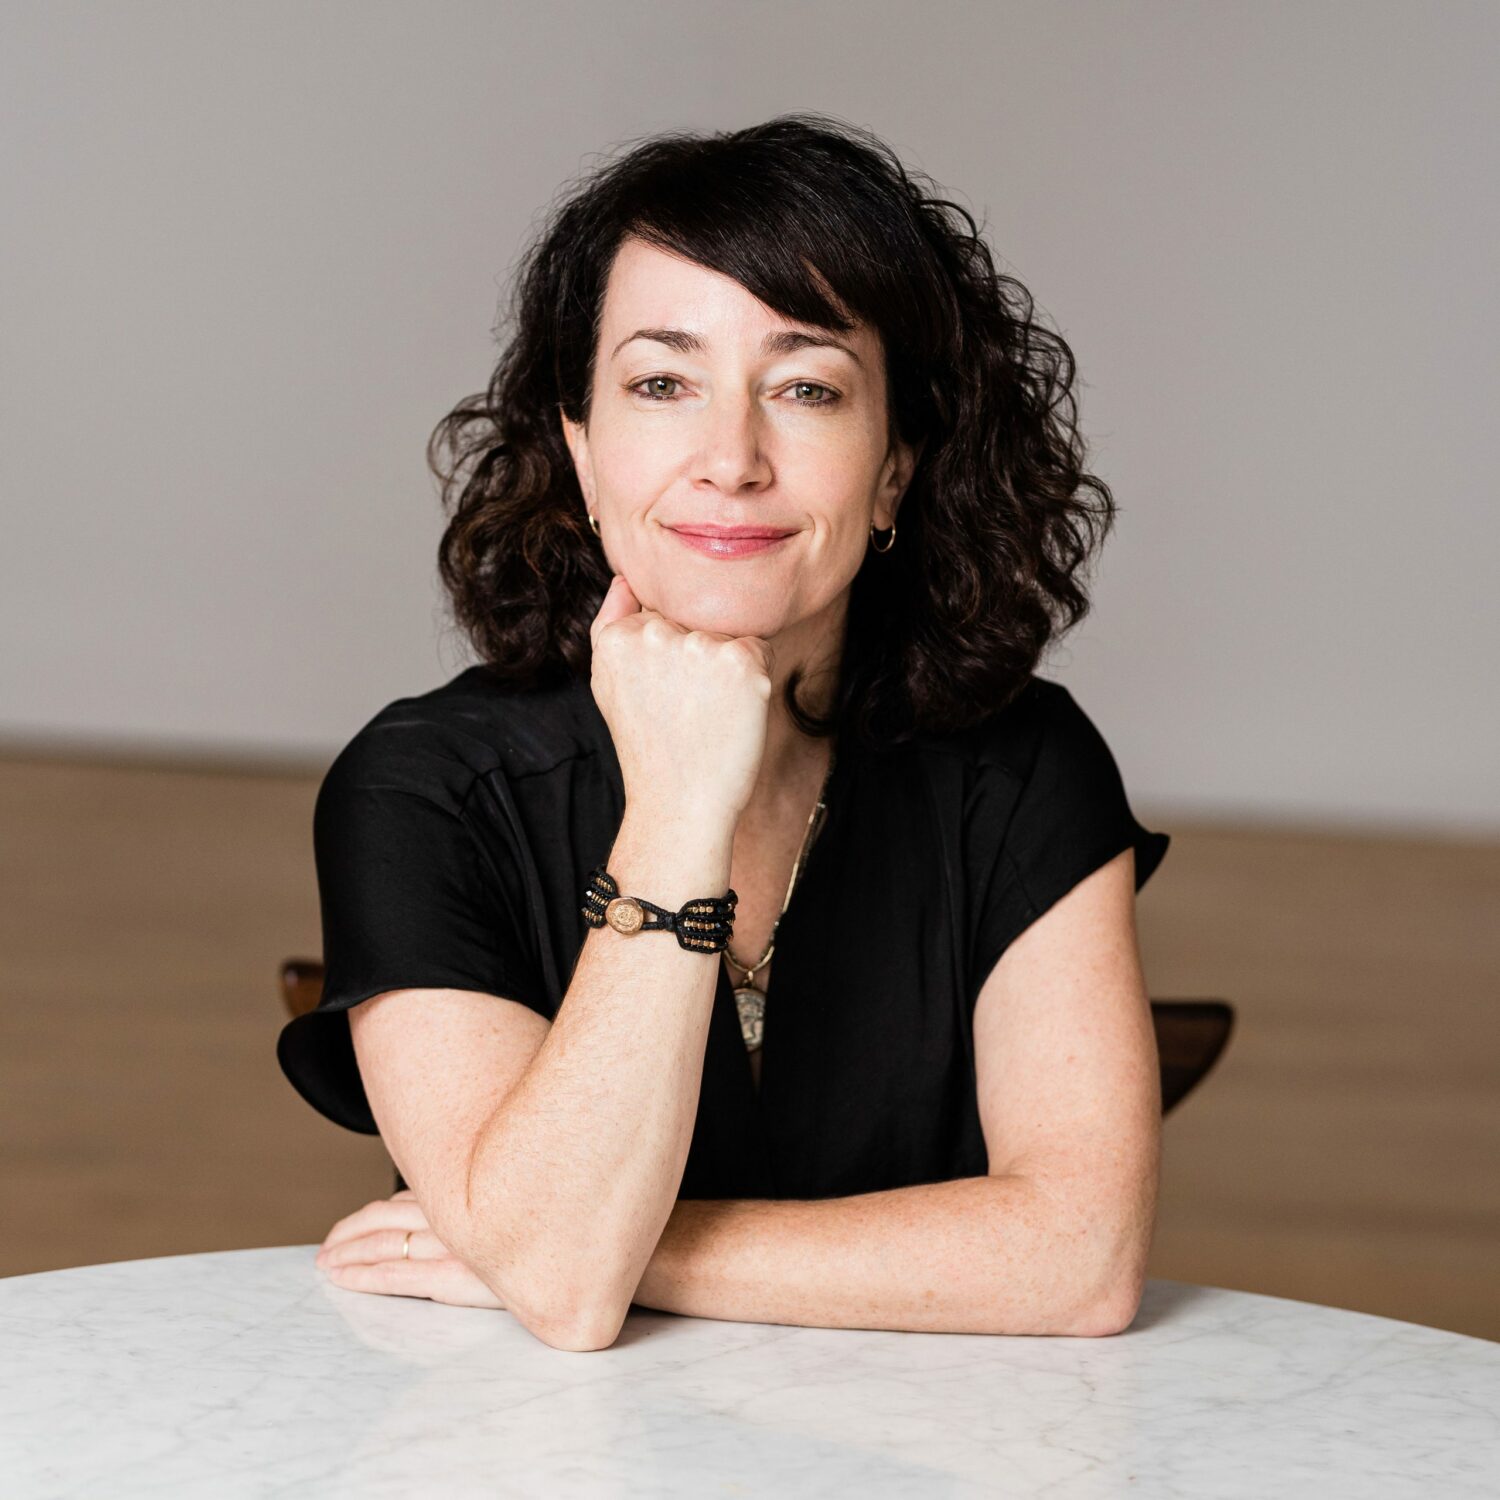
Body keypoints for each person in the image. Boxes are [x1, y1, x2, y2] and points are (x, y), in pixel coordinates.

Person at [278, 113, 1171, 1352]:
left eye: (806, 388)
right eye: (661, 383)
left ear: (898, 465)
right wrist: (683, 803)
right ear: (583, 457)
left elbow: (1079, 1265)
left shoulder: (1022, 767)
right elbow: (569, 1305)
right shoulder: (425, 789)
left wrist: (581, 1242)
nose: (732, 458)